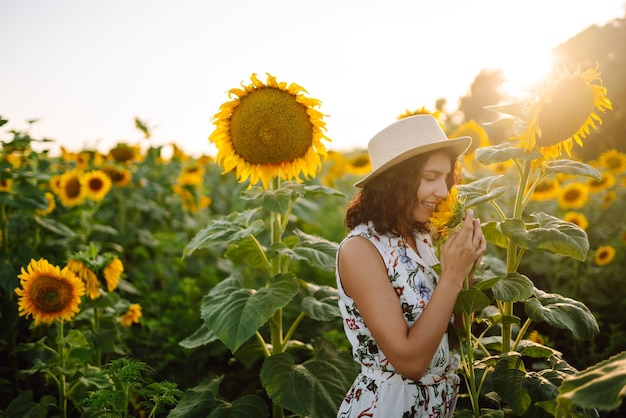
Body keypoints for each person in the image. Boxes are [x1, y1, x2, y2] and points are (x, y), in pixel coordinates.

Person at [336, 114, 487, 417]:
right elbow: (411, 363)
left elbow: (455, 336)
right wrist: (452, 277)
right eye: (430, 177)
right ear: (395, 181)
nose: (444, 192)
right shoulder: (361, 250)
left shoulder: (421, 237)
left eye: (445, 178)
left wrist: (467, 268)